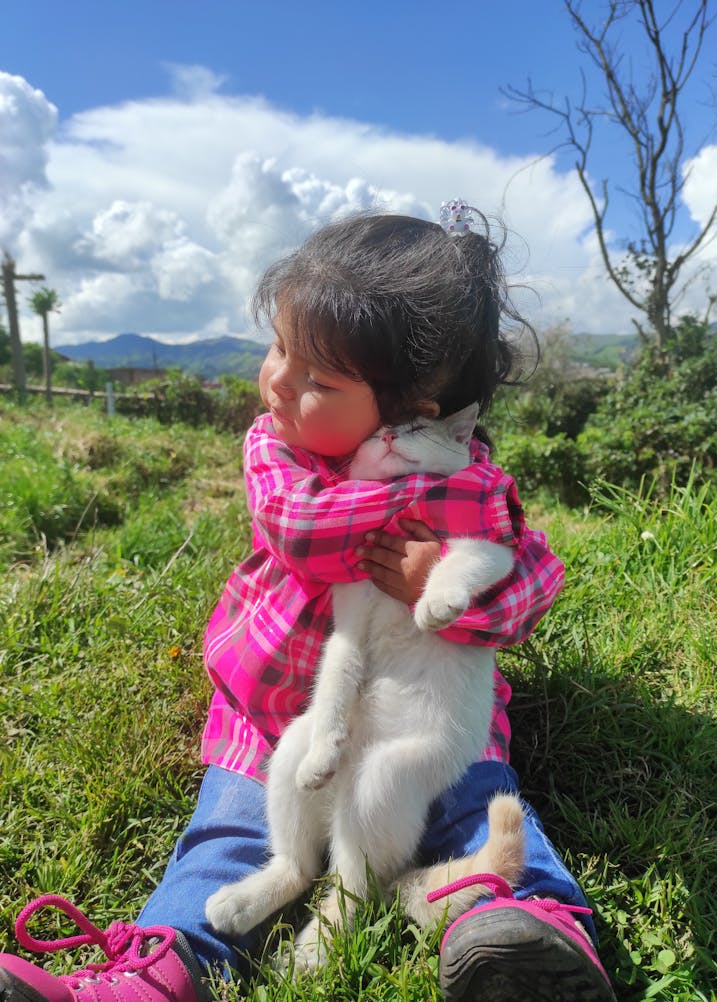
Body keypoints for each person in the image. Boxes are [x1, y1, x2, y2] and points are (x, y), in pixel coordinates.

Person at [0, 205, 616, 1002]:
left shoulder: (471, 478)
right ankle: (157, 972)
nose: (281, 381)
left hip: (419, 717)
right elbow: (298, 531)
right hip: (271, 713)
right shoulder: (278, 445)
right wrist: (407, 508)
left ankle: (524, 922)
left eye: (318, 378)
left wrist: (446, 583)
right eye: (280, 347)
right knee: (226, 833)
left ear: (409, 412)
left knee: (478, 802)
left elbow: (536, 584)